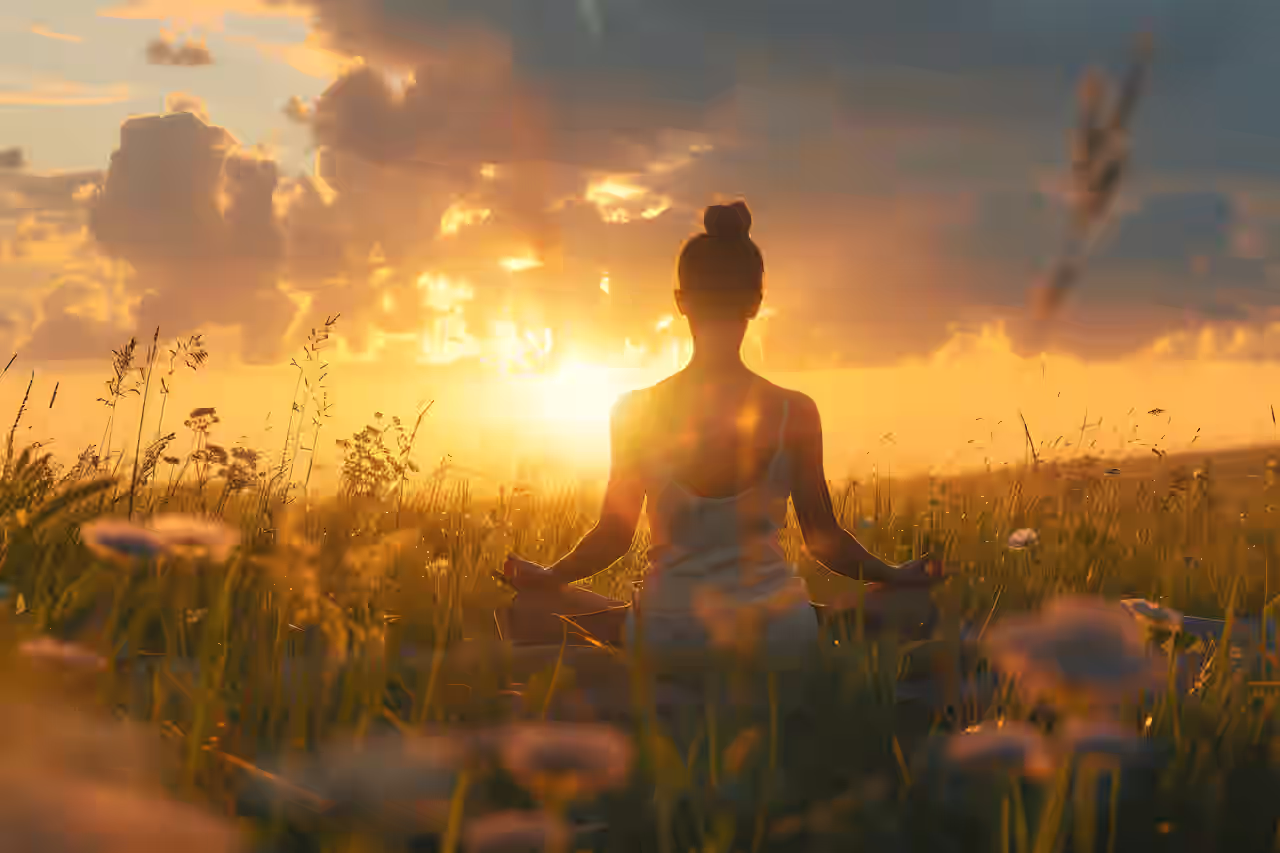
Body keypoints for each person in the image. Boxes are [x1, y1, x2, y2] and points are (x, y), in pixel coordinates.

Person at [503, 200, 938, 661]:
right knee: (914, 607)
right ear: (755, 302)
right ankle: (821, 622)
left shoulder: (634, 411)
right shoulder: (796, 412)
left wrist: (548, 578)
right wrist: (896, 576)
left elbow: (613, 537)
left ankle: (629, 632)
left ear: (680, 301)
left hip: (666, 630)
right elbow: (823, 542)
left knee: (528, 608)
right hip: (776, 632)